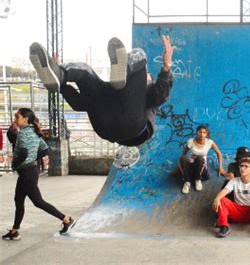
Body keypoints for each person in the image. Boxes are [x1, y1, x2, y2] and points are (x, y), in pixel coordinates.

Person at [29, 35, 175, 146]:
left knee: (139, 54)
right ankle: (60, 74)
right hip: (108, 126)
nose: (147, 76)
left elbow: (159, 96)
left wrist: (166, 67)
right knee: (85, 72)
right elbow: (81, 104)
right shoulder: (107, 91)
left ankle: (125, 68)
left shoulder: (145, 92)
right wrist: (62, 86)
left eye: (148, 77)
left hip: (130, 126)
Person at [2, 108, 75, 241]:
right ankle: (14, 231)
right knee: (18, 200)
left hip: (27, 173)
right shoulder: (34, 132)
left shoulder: (23, 133)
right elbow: (45, 149)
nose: (15, 119)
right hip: (29, 171)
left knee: (38, 202)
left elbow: (23, 152)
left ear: (25, 119)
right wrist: (33, 158)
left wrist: (15, 164)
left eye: (17, 117)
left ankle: (66, 219)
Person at [212, 158, 250, 239]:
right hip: (237, 213)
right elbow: (225, 190)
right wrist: (217, 198)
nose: (242, 168)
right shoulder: (234, 181)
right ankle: (224, 226)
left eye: (245, 167)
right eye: (241, 166)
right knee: (222, 199)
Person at [178, 124, 224, 194]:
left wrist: (220, 167)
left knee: (199, 158)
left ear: (207, 134)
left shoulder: (209, 142)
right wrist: (182, 165)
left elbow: (219, 153)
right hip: (191, 165)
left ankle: (198, 180)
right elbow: (183, 154)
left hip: (202, 167)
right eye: (200, 132)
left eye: (204, 132)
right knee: (184, 158)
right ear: (197, 133)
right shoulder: (191, 141)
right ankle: (187, 182)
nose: (202, 134)